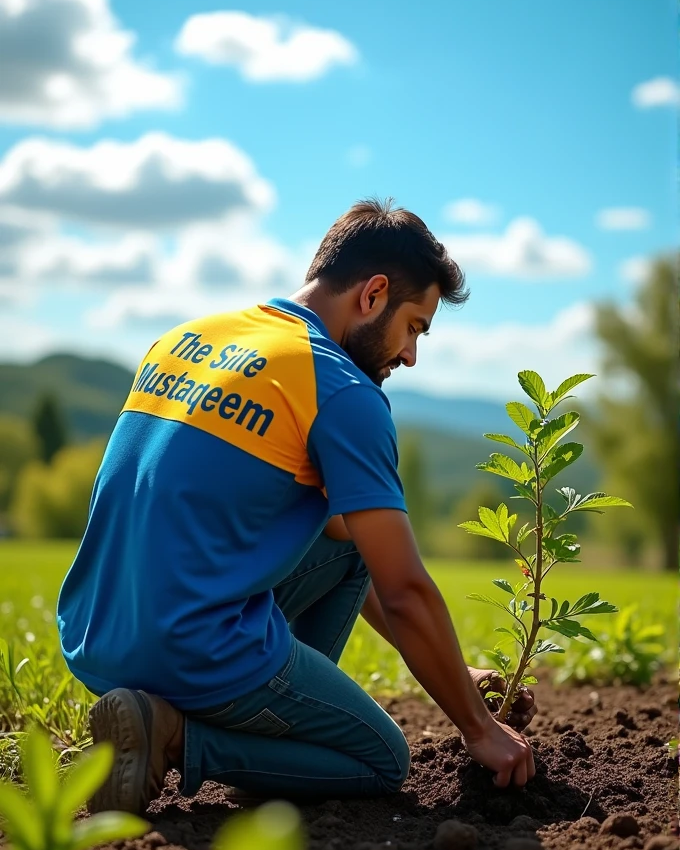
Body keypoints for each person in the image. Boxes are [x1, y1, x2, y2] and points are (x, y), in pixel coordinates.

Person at [57, 198, 536, 816]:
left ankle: (239, 721)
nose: (412, 355)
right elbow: (406, 591)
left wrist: (455, 675)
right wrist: (479, 728)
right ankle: (177, 735)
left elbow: (346, 543)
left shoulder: (187, 338)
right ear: (374, 295)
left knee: (351, 542)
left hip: (99, 637)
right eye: (415, 326)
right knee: (382, 759)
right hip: (190, 649)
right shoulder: (341, 389)